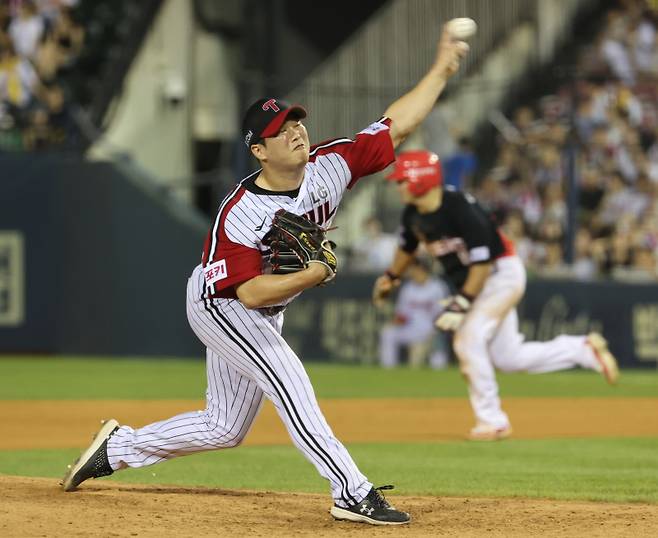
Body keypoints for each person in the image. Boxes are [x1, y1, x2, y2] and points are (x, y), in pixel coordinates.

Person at [61, 21, 471, 526]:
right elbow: (251, 293)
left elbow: (395, 126)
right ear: (259, 150)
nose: (297, 131)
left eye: (297, 122)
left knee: (224, 427)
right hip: (223, 304)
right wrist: (316, 272)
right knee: (289, 380)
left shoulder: (329, 166)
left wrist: (440, 70)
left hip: (261, 306)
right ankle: (352, 491)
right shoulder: (241, 213)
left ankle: (119, 448)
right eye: (282, 131)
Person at [372, 150, 620, 441]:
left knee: (467, 339)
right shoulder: (413, 213)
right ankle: (581, 349)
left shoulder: (461, 209)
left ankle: (493, 421)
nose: (398, 186)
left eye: (402, 181)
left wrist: (462, 301)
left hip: (500, 275)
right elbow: (407, 247)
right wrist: (391, 277)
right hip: (477, 284)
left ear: (419, 181)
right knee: (509, 358)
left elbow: (483, 263)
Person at [378, 258, 450, 369]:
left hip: (432, 329)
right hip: (411, 329)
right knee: (388, 332)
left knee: (438, 341)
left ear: (422, 270)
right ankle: (388, 369)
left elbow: (444, 314)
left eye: (414, 269)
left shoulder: (438, 287)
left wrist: (436, 329)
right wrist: (394, 322)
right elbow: (402, 315)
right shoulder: (408, 288)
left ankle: (439, 371)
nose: (411, 272)